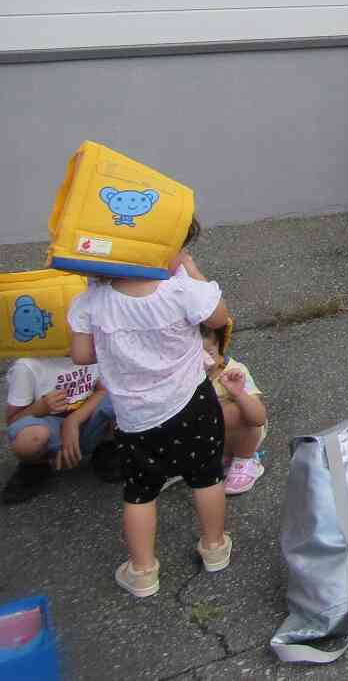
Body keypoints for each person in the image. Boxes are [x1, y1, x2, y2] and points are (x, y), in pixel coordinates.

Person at [67, 218, 233, 599]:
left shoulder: (93, 298)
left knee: (140, 491)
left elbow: (81, 354)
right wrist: (192, 271)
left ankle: (142, 571)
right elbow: (220, 318)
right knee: (206, 475)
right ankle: (215, 547)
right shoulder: (180, 289)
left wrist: (116, 341)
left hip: (136, 416)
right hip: (193, 401)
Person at [4, 353, 121, 504]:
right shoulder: (27, 366)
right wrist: (40, 408)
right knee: (29, 440)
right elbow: (13, 421)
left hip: (85, 422)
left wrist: (73, 420)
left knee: (126, 396)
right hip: (50, 430)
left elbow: (103, 390)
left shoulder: (91, 349)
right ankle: (35, 466)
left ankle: (106, 449)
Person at [200, 322, 268, 496]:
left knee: (230, 412)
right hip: (208, 441)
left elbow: (258, 417)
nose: (202, 361)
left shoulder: (233, 372)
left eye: (209, 353)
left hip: (238, 435)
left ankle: (244, 459)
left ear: (219, 346)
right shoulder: (185, 377)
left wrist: (238, 393)